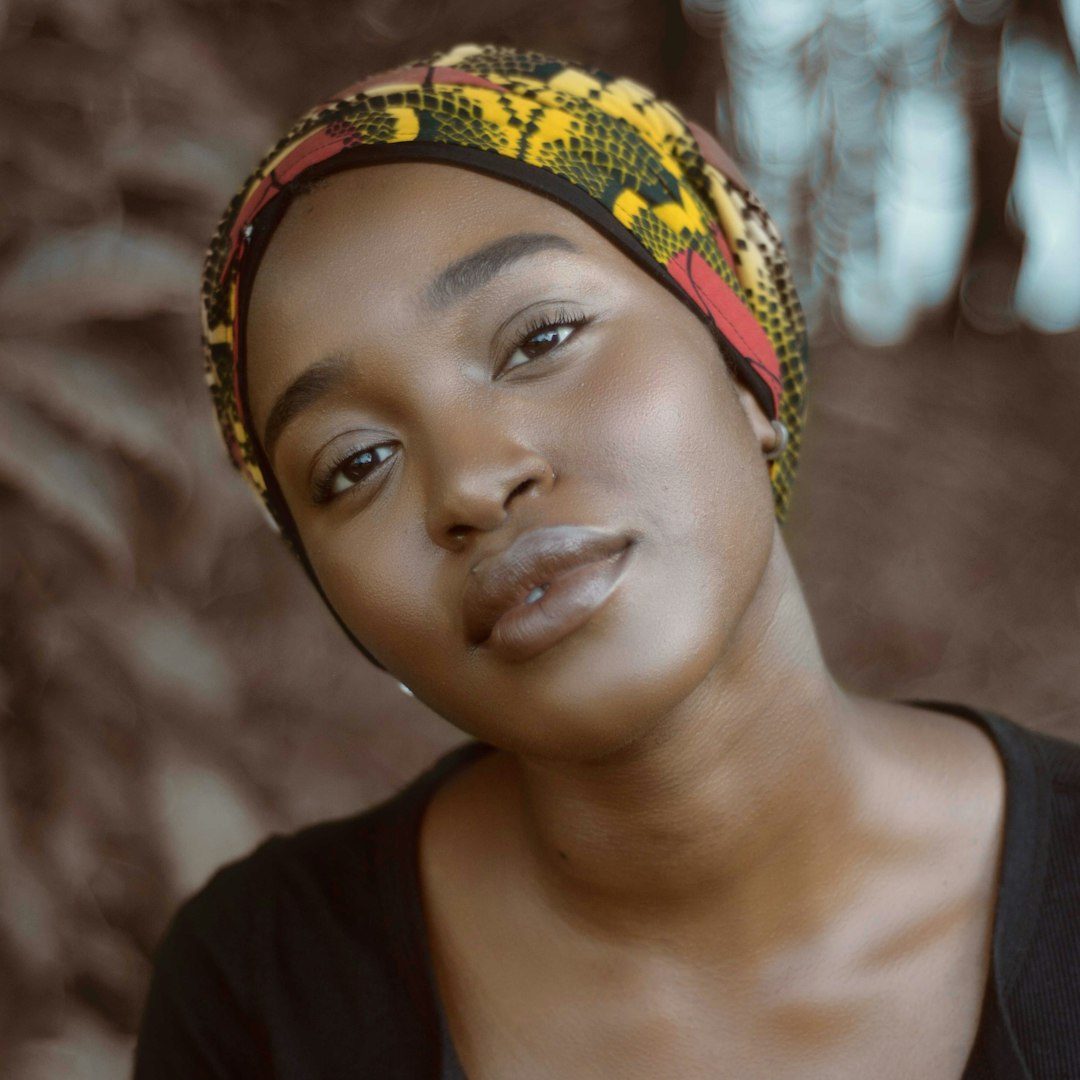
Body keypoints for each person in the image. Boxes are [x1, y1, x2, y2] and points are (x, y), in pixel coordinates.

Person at [133, 43, 1080, 1079]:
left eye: (540, 339)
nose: (471, 482)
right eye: (356, 462)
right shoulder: (264, 994)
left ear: (738, 362)